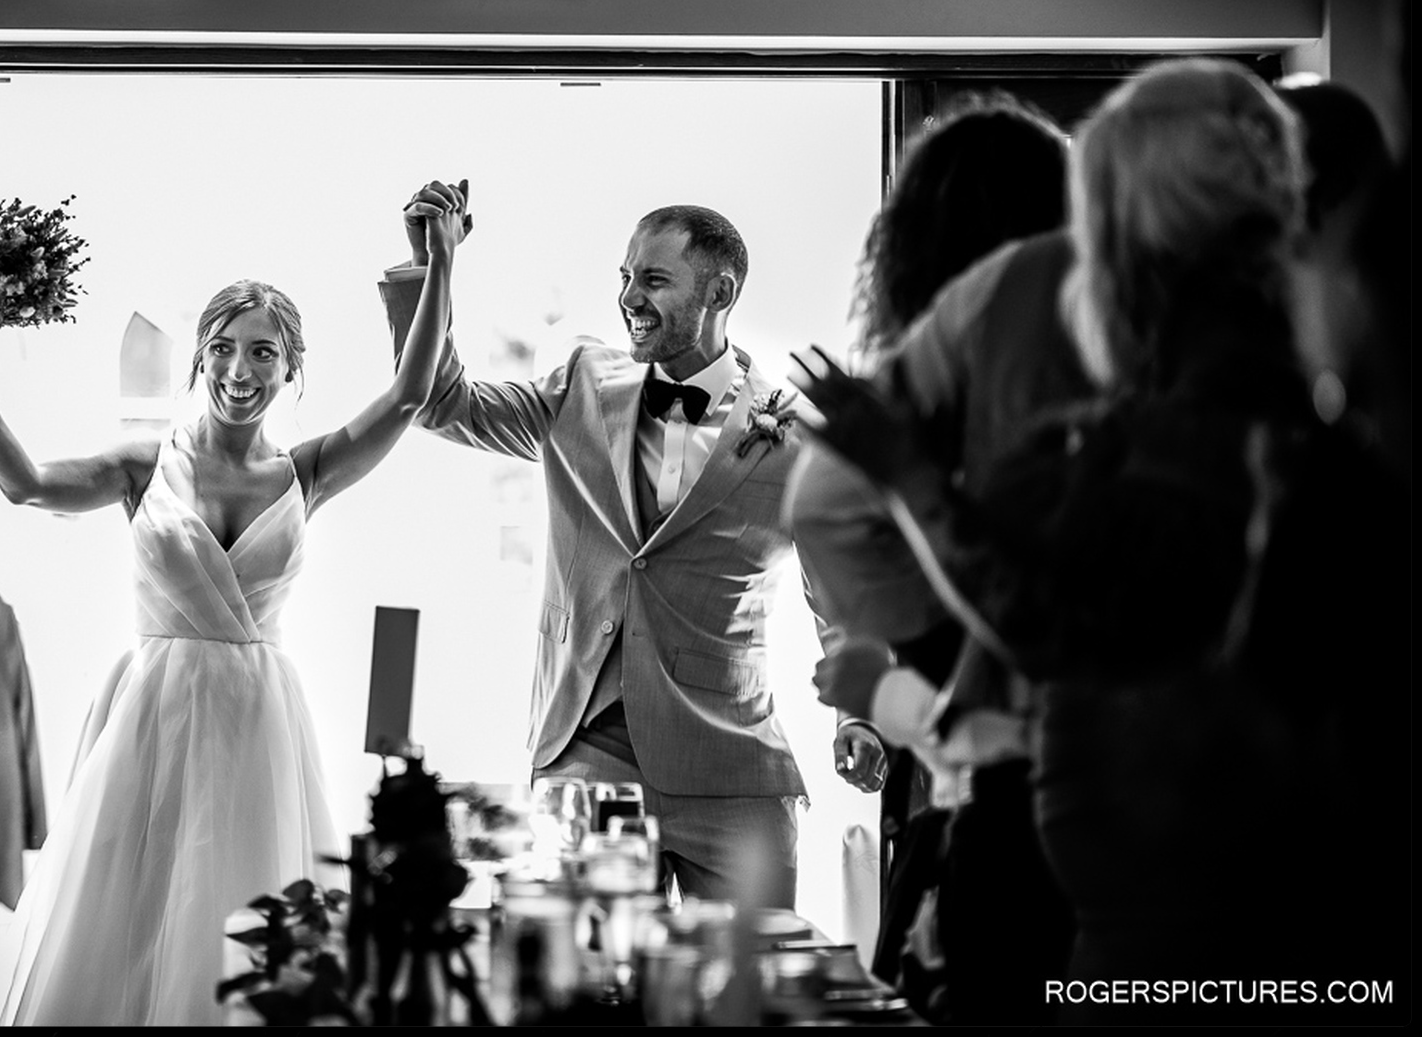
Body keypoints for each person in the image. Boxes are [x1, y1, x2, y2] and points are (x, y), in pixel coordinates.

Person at [795, 58, 1383, 1021]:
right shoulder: (1206, 419)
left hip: (1172, 919)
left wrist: (907, 484)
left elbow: (1059, 621)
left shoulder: (1199, 432)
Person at [0, 191, 468, 1026]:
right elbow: (25, 485)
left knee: (248, 910)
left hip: (258, 722)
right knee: (129, 917)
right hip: (153, 711)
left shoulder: (307, 472)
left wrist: (442, 262)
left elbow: (408, 394)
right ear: (197, 358)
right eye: (221, 348)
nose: (238, 371)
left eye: (262, 354)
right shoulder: (146, 466)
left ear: (292, 371)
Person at [378, 185, 873, 906]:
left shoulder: (795, 436)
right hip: (586, 749)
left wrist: (857, 714)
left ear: (720, 291)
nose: (629, 296)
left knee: (743, 997)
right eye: (625, 276)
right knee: (577, 993)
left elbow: (844, 602)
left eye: (653, 279)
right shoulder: (582, 383)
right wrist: (433, 268)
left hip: (732, 766)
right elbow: (439, 402)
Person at [785, 93, 1074, 1022]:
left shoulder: (955, 416)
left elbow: (1022, 667)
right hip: (975, 771)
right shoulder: (1032, 388)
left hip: (1012, 793)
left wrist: (888, 692)